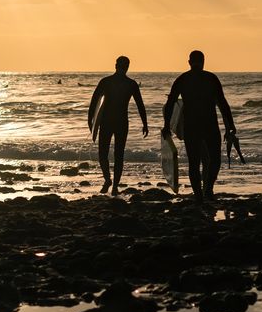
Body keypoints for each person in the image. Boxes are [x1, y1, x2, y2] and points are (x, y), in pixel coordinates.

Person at [162, 50, 236, 202]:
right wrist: (230, 125)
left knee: (193, 162)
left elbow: (170, 104)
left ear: (189, 62)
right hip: (210, 124)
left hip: (192, 125)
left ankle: (198, 195)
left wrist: (166, 125)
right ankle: (208, 189)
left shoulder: (182, 79)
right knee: (215, 160)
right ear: (203, 61)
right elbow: (222, 103)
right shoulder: (211, 78)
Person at [88, 56, 148, 195]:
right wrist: (145, 123)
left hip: (107, 122)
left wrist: (90, 120)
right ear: (127, 67)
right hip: (121, 122)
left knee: (103, 153)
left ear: (116, 65)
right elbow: (140, 105)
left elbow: (94, 102)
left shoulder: (106, 82)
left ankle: (108, 180)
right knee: (118, 155)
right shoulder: (131, 84)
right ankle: (114, 186)